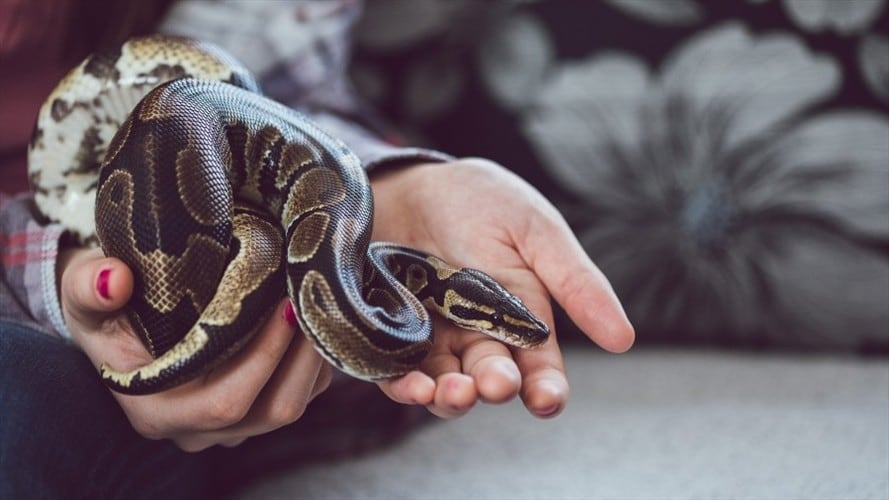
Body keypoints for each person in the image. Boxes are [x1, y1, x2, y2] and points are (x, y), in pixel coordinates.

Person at [1, 0, 634, 497]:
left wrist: (394, 183)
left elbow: (255, 103)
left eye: (499, 316)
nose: (509, 324)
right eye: (500, 314)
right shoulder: (386, 301)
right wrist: (48, 271)